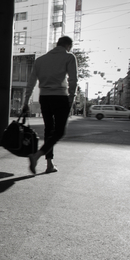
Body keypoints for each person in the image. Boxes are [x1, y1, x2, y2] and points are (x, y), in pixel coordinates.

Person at [22, 35, 78, 174]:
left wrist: (26, 101)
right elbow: (73, 80)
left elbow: (31, 82)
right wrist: (71, 99)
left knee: (49, 130)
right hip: (60, 97)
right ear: (68, 46)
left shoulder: (40, 60)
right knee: (59, 132)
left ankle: (49, 164)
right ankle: (37, 156)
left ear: (57, 44)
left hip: (44, 98)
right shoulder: (69, 57)